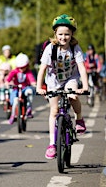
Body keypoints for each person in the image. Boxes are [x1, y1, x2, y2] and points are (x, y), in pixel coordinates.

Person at [36, 14, 88, 160]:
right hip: (53, 81)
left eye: (67, 34)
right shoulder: (50, 49)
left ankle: (79, 119)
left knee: (73, 96)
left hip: (70, 78)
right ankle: (52, 144)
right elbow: (42, 69)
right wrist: (39, 87)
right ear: (55, 34)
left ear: (72, 34)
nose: (63, 37)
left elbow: (82, 68)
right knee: (54, 111)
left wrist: (84, 86)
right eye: (60, 34)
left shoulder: (75, 48)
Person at [4, 53, 37, 124]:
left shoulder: (28, 72)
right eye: (20, 67)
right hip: (16, 89)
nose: (21, 69)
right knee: (15, 101)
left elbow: (31, 79)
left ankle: (29, 109)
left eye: (23, 67)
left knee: (29, 92)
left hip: (25, 88)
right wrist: (7, 83)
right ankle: (13, 115)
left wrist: (33, 83)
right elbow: (8, 79)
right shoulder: (14, 71)